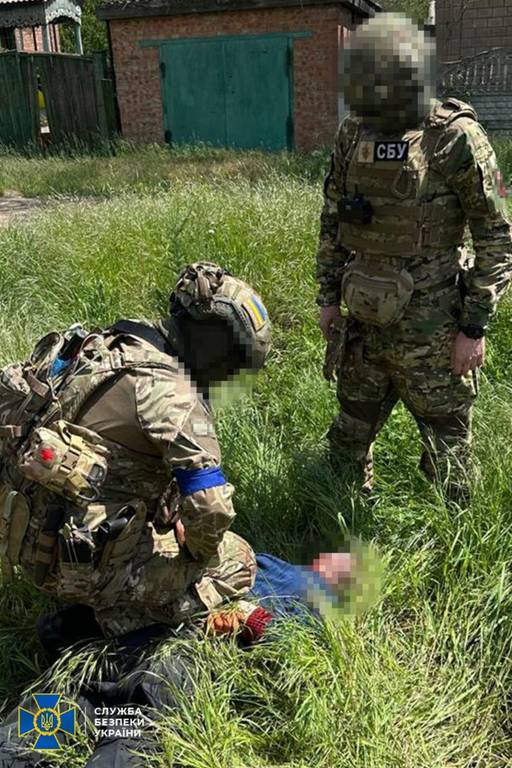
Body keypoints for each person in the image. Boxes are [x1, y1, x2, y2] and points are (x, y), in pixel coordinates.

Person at [0, 261, 271, 639]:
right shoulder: (174, 394)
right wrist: (195, 550)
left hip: (23, 535)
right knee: (237, 559)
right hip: (77, 564)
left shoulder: (101, 344)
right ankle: (113, 621)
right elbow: (212, 508)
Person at [316, 13, 512, 503]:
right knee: (348, 437)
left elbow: (496, 235)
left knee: (449, 452)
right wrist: (328, 298)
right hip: (364, 321)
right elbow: (334, 218)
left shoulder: (456, 136)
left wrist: (473, 328)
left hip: (434, 328)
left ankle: (454, 535)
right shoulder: (353, 133)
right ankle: (339, 518)